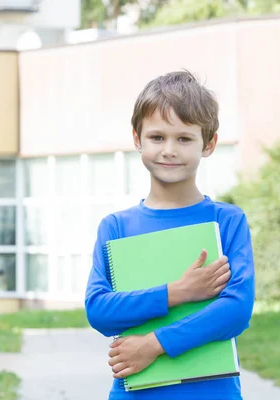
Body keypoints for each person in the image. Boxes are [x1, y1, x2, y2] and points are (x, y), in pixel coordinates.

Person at [84, 70, 255, 400]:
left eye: (184, 138)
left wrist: (154, 344)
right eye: (157, 137)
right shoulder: (116, 227)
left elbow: (236, 311)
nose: (169, 150)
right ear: (137, 139)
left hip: (213, 392)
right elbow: (99, 311)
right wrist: (178, 292)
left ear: (209, 143)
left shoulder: (227, 221)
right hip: (136, 392)